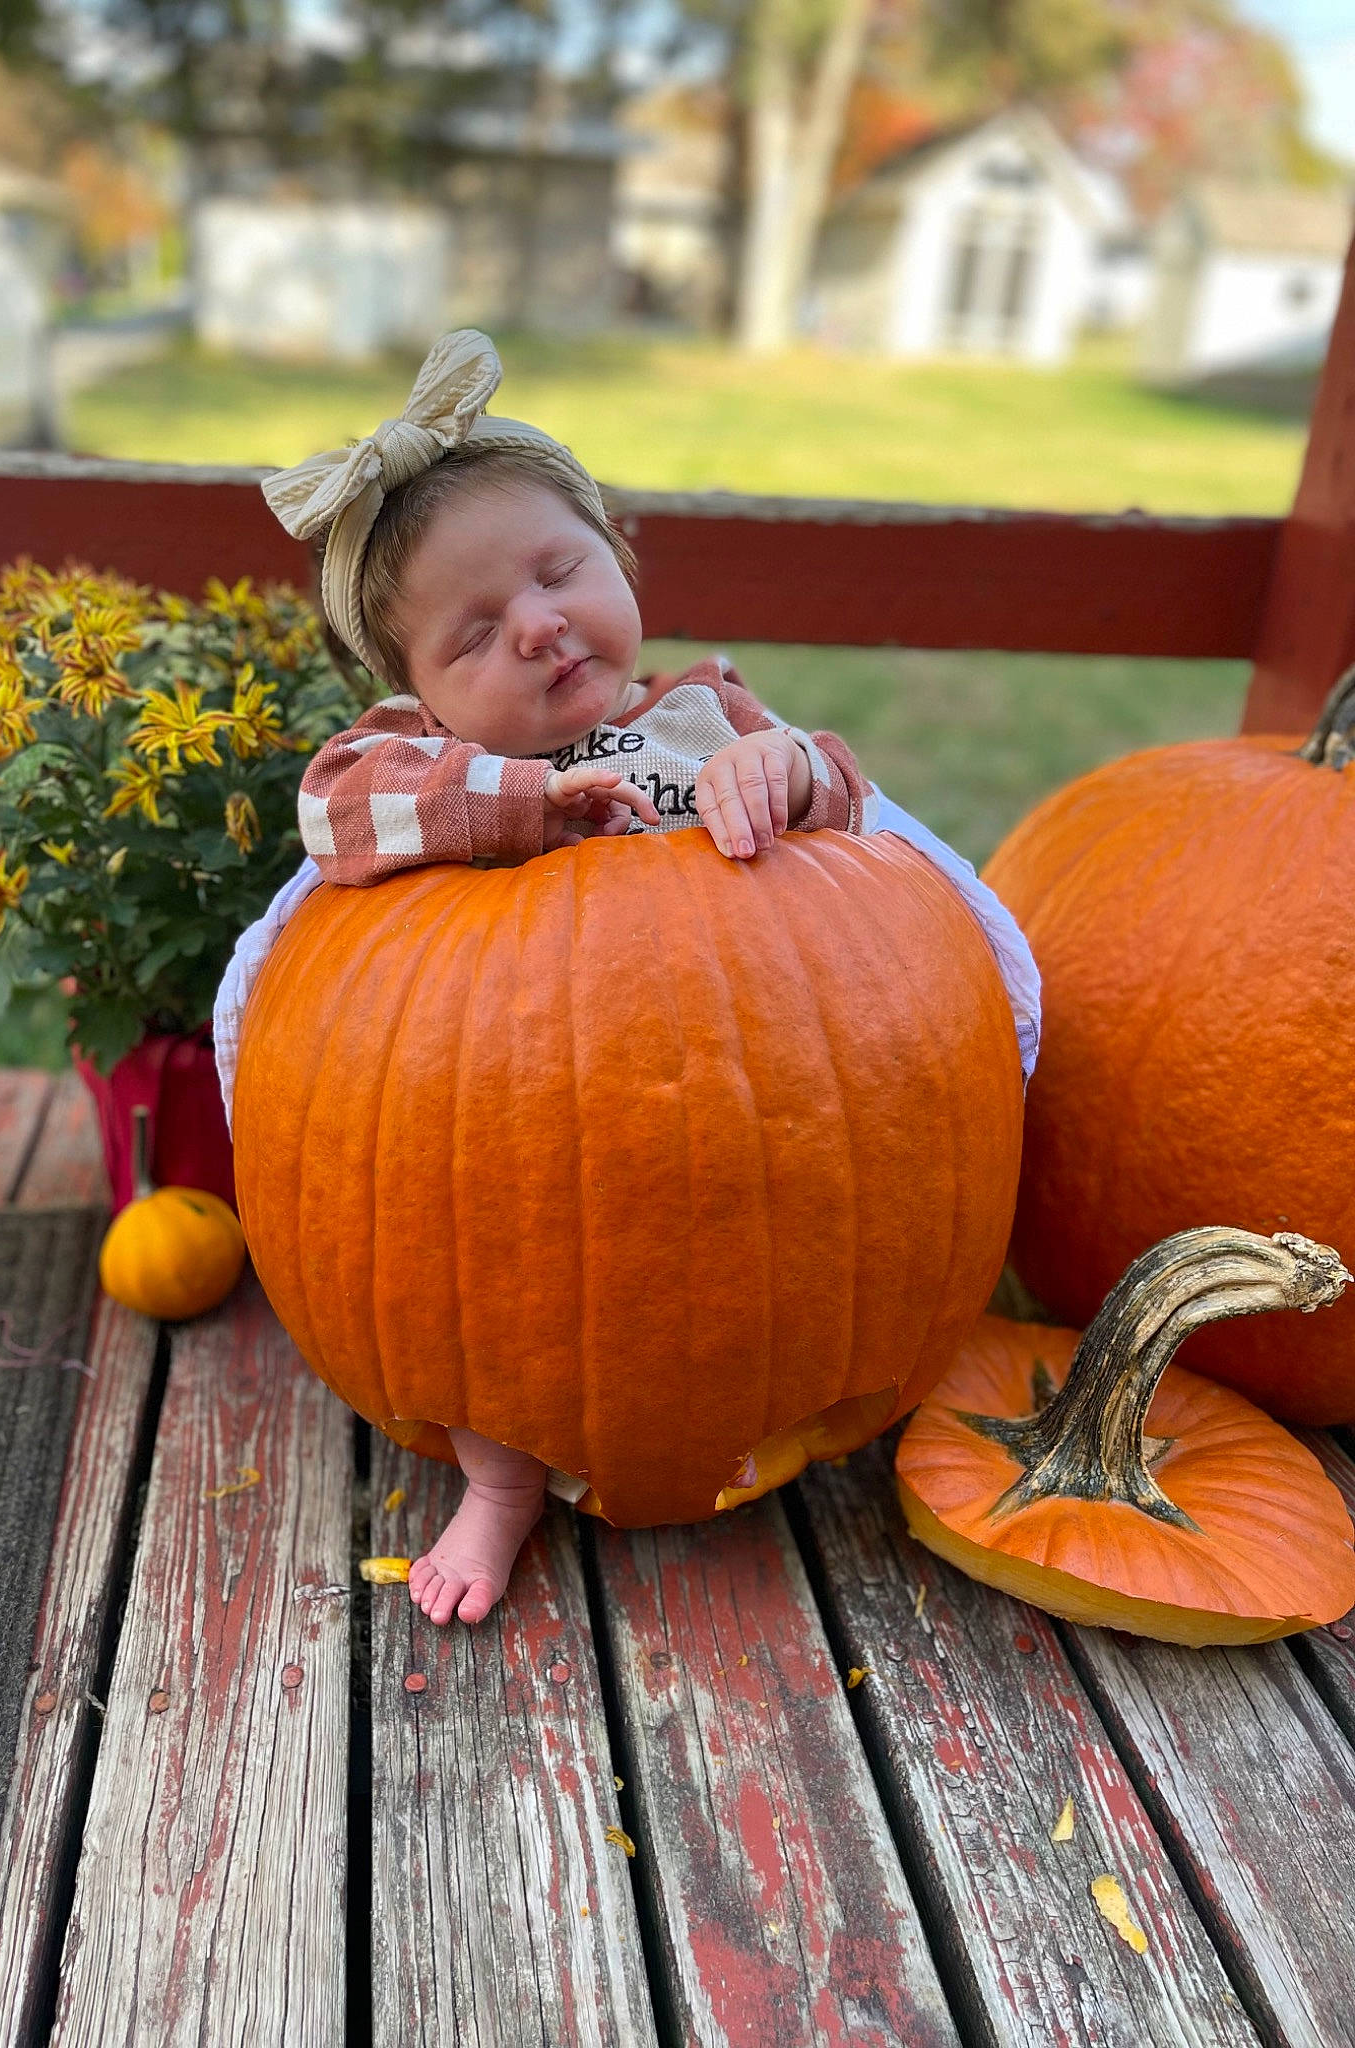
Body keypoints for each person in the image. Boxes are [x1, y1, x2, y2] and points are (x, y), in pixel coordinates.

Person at [213, 328, 1040, 1630]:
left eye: (560, 572)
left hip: (745, 1112)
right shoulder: (407, 764)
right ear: (420, 692)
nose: (539, 627)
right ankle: (501, 1482)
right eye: (475, 633)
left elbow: (849, 800)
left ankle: (760, 1391)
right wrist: (532, 802)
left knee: (758, 1252)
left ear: (620, 559)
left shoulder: (701, 718)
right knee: (493, 1310)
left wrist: (788, 779)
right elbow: (339, 815)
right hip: (510, 1138)